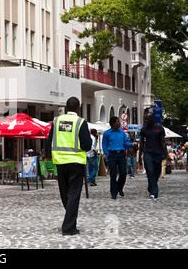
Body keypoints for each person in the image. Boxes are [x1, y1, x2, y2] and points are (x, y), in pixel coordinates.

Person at [47, 97, 92, 235]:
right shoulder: (80, 122)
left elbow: (49, 141)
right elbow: (87, 144)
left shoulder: (56, 121)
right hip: (76, 162)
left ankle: (69, 218)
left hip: (60, 162)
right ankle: (68, 227)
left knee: (65, 192)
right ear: (78, 107)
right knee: (73, 194)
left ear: (66, 107)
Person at [102, 116, 137, 199]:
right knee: (113, 174)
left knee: (123, 173)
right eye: (118, 121)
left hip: (121, 154)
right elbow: (104, 145)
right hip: (112, 154)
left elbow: (126, 143)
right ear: (113, 123)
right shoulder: (107, 133)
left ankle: (119, 188)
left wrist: (132, 144)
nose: (120, 123)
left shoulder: (122, 133)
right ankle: (113, 193)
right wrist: (107, 154)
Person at [138, 112, 170, 199]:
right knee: (150, 172)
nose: (146, 120)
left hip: (158, 153)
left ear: (153, 118)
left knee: (157, 172)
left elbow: (163, 142)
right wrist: (140, 156)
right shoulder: (144, 129)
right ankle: (154, 192)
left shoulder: (160, 129)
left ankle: (151, 186)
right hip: (148, 153)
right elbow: (141, 143)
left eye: (148, 118)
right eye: (146, 119)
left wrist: (166, 155)